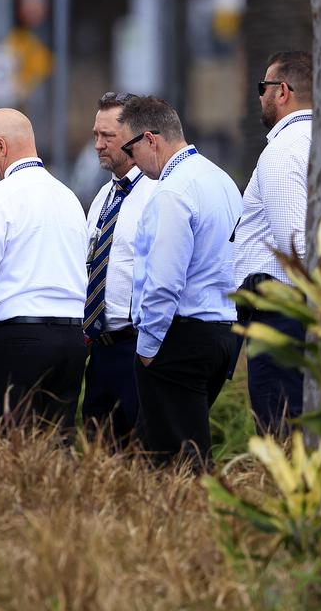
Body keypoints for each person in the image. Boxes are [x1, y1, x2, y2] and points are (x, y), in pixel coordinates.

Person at [0, 109, 88, 431]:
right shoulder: (70, 199)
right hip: (71, 342)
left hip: (19, 342)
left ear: (1, 145)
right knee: (52, 449)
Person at [120, 96, 241, 466]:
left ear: (151, 140)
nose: (131, 160)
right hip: (222, 331)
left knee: (173, 463)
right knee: (181, 449)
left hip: (180, 336)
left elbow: (163, 282)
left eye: (131, 148)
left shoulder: (172, 191)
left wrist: (147, 348)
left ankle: (193, 522)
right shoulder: (221, 180)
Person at [234, 51, 314, 435]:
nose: (259, 97)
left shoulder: (282, 152)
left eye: (262, 88)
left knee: (281, 431)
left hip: (285, 313)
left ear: (282, 92)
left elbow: (295, 246)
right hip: (310, 310)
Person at [82, 91, 157, 447]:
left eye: (107, 137)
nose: (98, 145)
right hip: (100, 348)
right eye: (96, 135)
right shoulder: (103, 198)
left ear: (135, 136)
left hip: (137, 349)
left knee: (142, 453)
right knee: (98, 455)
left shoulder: (157, 196)